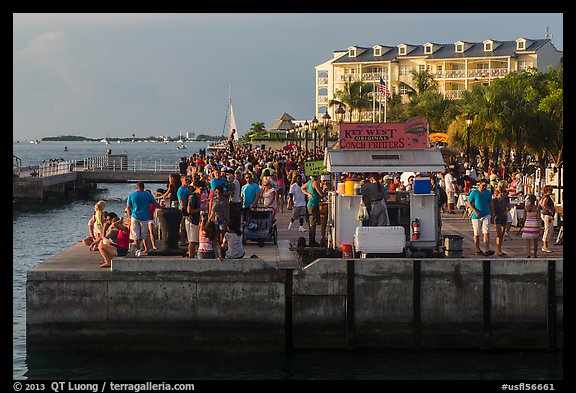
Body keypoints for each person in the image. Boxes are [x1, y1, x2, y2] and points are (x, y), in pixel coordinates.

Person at [126, 181, 163, 256]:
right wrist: (162, 207)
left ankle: (138, 250)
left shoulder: (132, 195)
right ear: (143, 187)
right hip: (145, 217)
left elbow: (128, 208)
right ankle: (145, 248)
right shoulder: (148, 195)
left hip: (134, 216)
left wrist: (129, 217)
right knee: (144, 234)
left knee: (135, 235)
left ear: (137, 187)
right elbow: (155, 204)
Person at [467, 178, 495, 256]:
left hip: (486, 213)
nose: (484, 187)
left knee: (486, 232)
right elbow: (469, 203)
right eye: (483, 185)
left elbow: (490, 204)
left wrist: (492, 214)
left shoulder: (488, 193)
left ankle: (486, 249)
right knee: (476, 233)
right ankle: (477, 248)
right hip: (476, 215)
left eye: (486, 186)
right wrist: (474, 211)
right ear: (479, 184)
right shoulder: (474, 192)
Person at [302, 175, 326, 246]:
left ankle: (312, 240)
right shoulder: (315, 183)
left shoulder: (309, 182)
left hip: (311, 204)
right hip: (313, 205)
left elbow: (302, 188)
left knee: (313, 223)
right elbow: (321, 194)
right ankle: (312, 241)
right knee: (313, 223)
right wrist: (326, 193)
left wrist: (308, 193)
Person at [184, 181, 204, 258]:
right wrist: (201, 208)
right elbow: (189, 210)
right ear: (196, 188)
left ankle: (190, 255)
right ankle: (191, 256)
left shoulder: (197, 197)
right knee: (193, 240)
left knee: (191, 240)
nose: (202, 191)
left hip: (193, 220)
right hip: (191, 220)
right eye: (201, 189)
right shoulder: (193, 197)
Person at [491, 182, 510, 257]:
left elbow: (509, 207)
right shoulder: (495, 199)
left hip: (503, 216)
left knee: (502, 234)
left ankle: (499, 248)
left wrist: (506, 211)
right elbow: (493, 208)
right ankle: (498, 249)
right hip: (497, 216)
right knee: (499, 233)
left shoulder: (506, 198)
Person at [539, 185, 555, 253]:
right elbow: (543, 203)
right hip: (547, 215)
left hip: (546, 215)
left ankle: (545, 245)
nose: (551, 192)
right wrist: (550, 210)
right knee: (548, 230)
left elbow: (540, 203)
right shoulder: (547, 197)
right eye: (550, 191)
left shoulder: (544, 197)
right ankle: (545, 246)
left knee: (549, 230)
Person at [177, 175, 192, 246]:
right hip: (183, 209)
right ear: (182, 181)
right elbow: (181, 201)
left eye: (187, 180)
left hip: (188, 207)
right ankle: (182, 240)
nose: (187, 181)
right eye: (185, 180)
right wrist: (184, 210)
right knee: (182, 226)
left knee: (185, 226)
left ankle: (186, 239)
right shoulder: (181, 190)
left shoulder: (187, 188)